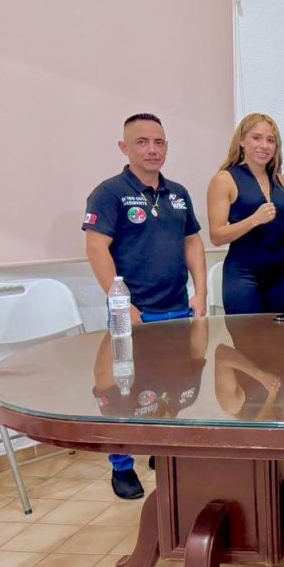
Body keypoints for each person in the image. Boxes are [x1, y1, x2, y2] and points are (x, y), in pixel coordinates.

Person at [83, 113, 207, 499]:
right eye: (142, 142)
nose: (152, 150)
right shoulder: (109, 193)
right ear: (124, 147)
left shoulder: (178, 194)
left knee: (174, 385)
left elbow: (192, 242)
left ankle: (161, 448)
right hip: (134, 313)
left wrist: (201, 292)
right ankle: (122, 465)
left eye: (159, 142)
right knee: (120, 390)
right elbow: (96, 247)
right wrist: (122, 304)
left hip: (178, 310)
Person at [206, 113, 284, 314]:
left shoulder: (281, 181)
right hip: (243, 277)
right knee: (247, 335)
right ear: (242, 141)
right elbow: (216, 236)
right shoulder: (224, 179)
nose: (264, 145)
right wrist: (254, 220)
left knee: (281, 334)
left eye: (270, 140)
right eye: (256, 138)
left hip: (280, 277)